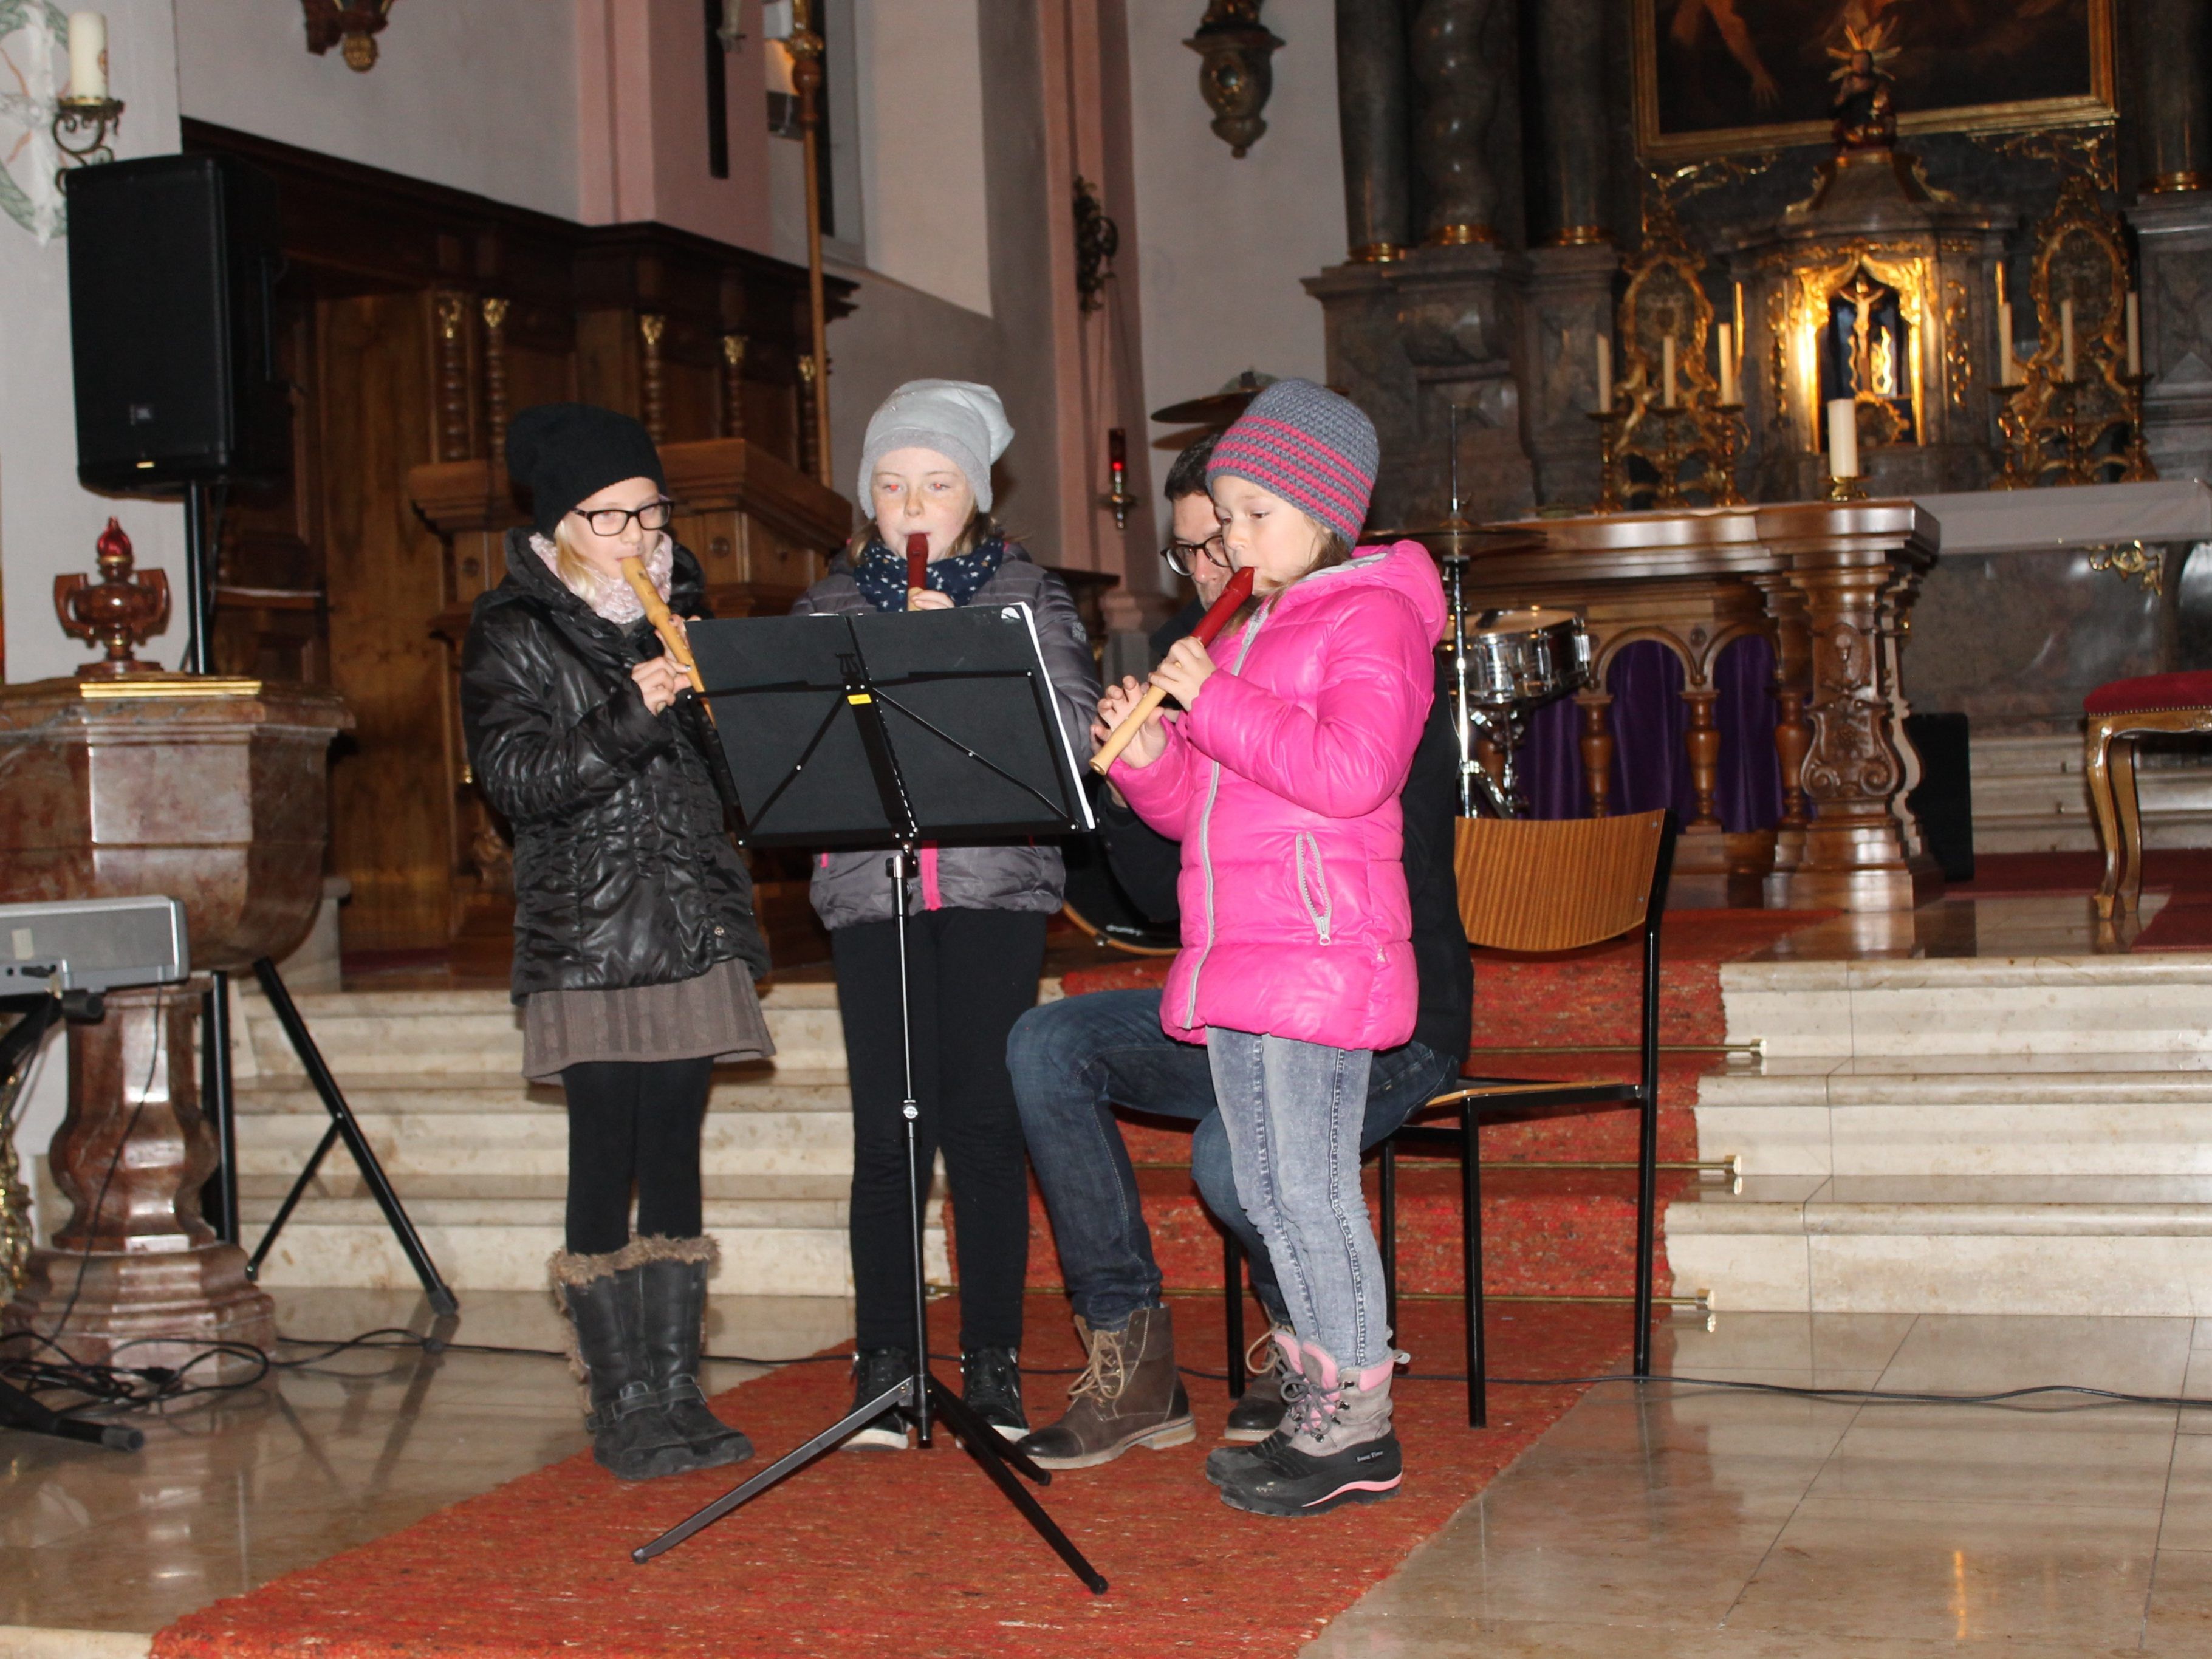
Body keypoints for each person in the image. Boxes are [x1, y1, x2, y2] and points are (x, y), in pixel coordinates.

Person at [1011, 422, 1468, 1487]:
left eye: (1258, 517)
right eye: (1225, 522)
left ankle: (1360, 1423)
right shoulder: (1257, 629)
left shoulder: (1373, 616)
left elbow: (1353, 771)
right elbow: (1199, 819)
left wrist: (1209, 700)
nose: (1236, 543)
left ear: (1329, 516)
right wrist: (1151, 757)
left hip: (1318, 948)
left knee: (1307, 1190)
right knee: (1265, 1187)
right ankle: (1316, 1403)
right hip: (1247, 950)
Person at [461, 402, 773, 1482]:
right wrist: (629, 713)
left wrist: (733, 712)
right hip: (589, 931)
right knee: (606, 1155)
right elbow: (517, 786)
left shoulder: (676, 612)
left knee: (676, 1153)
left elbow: (740, 789)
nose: (641, 539)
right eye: (613, 519)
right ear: (560, 524)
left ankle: (677, 1387)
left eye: (652, 514)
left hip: (686, 917)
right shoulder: (512, 630)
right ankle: (621, 1399)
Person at [793, 380, 1100, 1449]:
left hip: (990, 891)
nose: (912, 506)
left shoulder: (1029, 593)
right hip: (870, 894)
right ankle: (883, 1363)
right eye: (889, 485)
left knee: (978, 1124)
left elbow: (1065, 736)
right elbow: (787, 745)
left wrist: (964, 651)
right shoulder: (828, 608)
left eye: (935, 483)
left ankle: (995, 1367)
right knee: (888, 1132)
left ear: (974, 492)